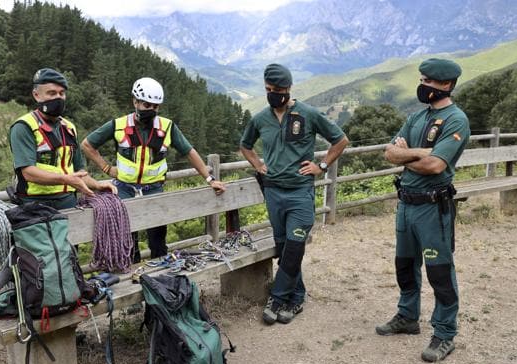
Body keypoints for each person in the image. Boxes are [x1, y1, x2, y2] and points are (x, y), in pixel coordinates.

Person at [240, 63, 349, 325]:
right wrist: (258, 165)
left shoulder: (308, 114)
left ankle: (277, 298)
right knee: (284, 247)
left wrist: (321, 166)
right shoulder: (260, 119)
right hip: (273, 192)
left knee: (295, 245)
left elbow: (341, 140)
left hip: (300, 192)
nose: (273, 93)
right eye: (268, 89)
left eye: (277, 89)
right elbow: (245, 145)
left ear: (288, 89)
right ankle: (297, 297)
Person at [377, 58, 470, 362]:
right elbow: (389, 152)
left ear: (446, 85)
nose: (423, 85)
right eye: (422, 79)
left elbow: (435, 165)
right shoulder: (416, 117)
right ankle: (407, 317)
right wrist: (417, 152)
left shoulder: (456, 120)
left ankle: (444, 334)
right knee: (405, 265)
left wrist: (407, 155)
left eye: (429, 81)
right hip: (406, 204)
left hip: (433, 207)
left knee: (439, 271)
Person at [81, 77, 226, 262]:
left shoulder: (167, 127)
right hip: (124, 189)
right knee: (128, 243)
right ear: (135, 101)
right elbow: (87, 145)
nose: (151, 110)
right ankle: (132, 279)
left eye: (155, 106)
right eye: (146, 105)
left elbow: (190, 152)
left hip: (154, 190)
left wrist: (210, 180)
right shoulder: (118, 125)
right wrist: (106, 168)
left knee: (158, 242)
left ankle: (161, 280)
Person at [9, 68, 116, 210]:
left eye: (62, 93)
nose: (58, 98)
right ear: (36, 95)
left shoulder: (69, 128)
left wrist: (97, 185)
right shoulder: (24, 127)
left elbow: (79, 173)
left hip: (69, 204)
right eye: (51, 93)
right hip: (36, 207)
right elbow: (28, 172)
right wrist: (65, 179)